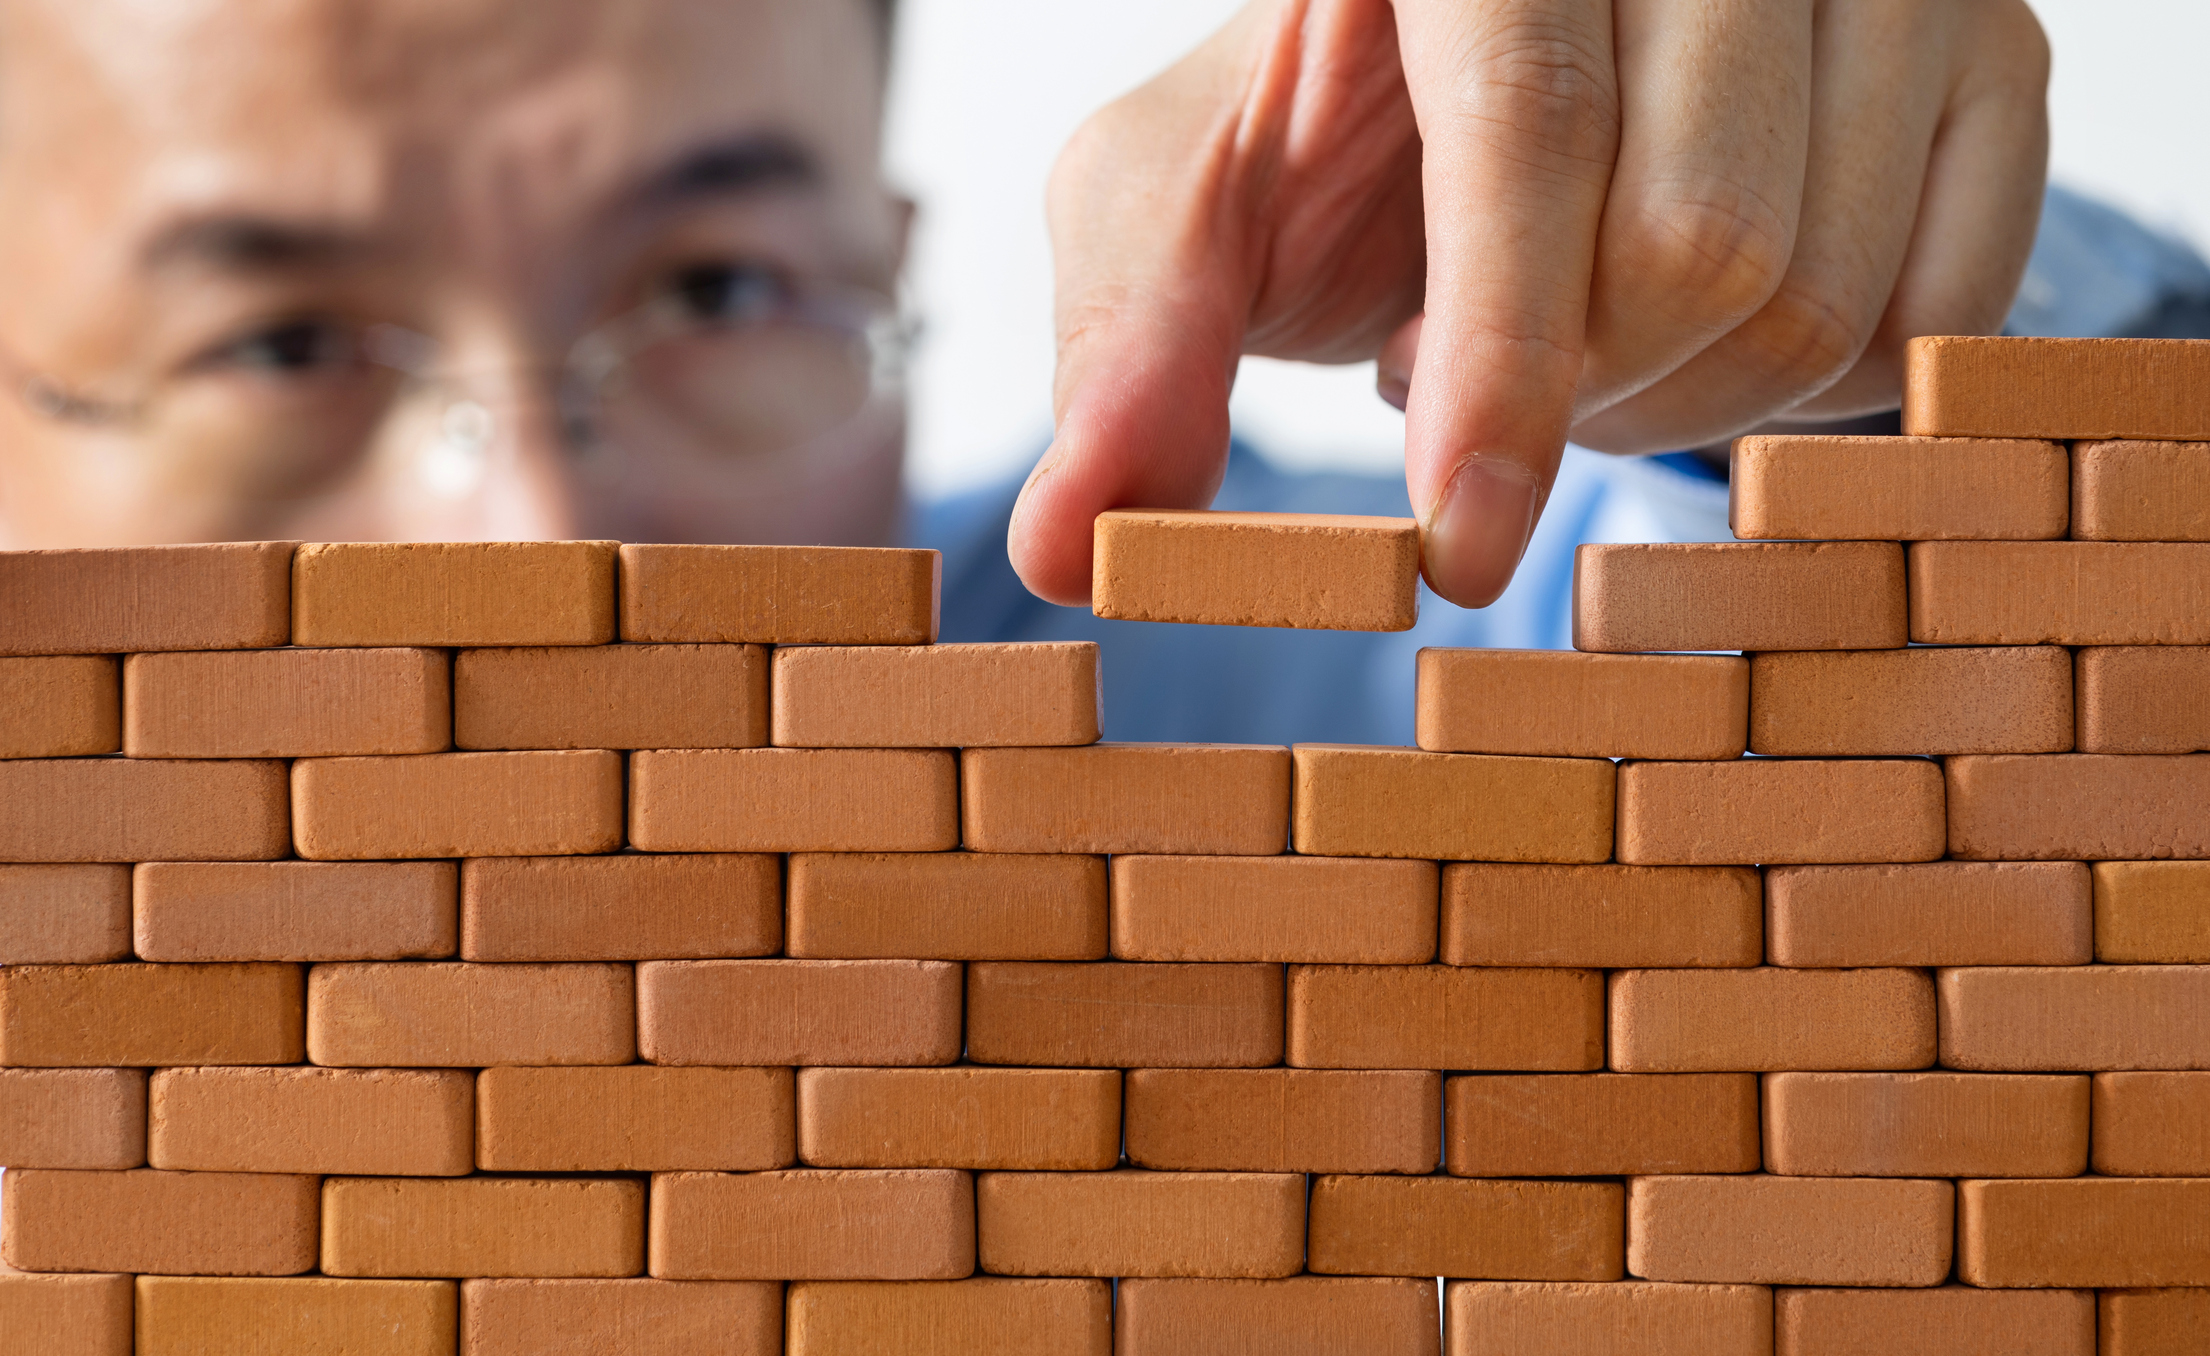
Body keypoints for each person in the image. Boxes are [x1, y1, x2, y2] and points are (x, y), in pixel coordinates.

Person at [0, 0, 2193, 743]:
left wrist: (1820, 330)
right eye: (278, 341)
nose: (543, 547)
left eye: (710, 294)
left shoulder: (1247, 694)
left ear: (888, 263)